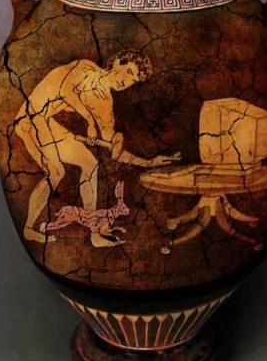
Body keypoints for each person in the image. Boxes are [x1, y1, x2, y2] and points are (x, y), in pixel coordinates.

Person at [15, 49, 181, 246]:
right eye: (128, 72)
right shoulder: (86, 69)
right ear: (117, 62)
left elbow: (114, 151)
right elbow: (65, 89)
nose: (127, 82)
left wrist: (147, 162)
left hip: (46, 122)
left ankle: (94, 232)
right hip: (30, 116)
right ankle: (28, 229)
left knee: (90, 164)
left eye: (133, 80)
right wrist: (89, 121)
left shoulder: (105, 104)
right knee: (56, 171)